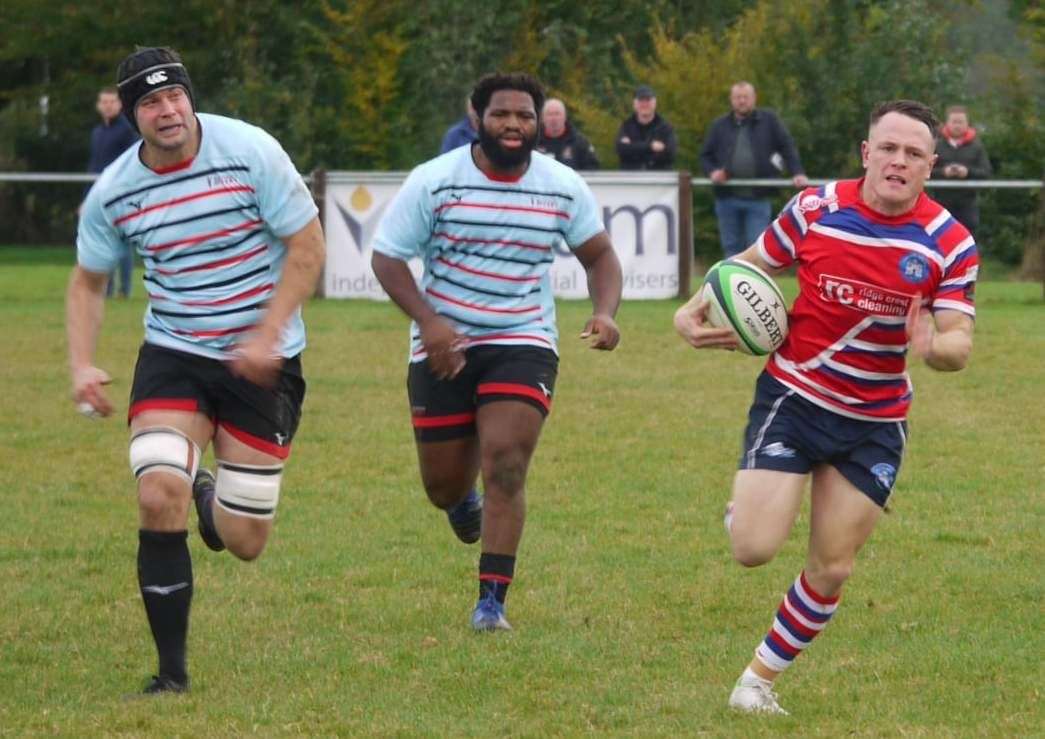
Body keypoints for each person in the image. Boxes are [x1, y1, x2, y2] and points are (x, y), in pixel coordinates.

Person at [675, 100, 976, 715]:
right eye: (887, 148)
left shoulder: (950, 241)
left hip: (874, 422)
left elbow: (958, 344)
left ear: (931, 164)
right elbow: (749, 265)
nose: (898, 161)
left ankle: (755, 683)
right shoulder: (816, 209)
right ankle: (752, 498)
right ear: (866, 152)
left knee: (832, 568)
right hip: (795, 397)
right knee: (753, 548)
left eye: (913, 153)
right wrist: (696, 302)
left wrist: (934, 347)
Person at [66, 46, 325, 694]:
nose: (169, 110)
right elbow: (88, 283)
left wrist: (267, 334)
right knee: (156, 492)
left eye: (175, 95)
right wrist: (82, 364)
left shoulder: (251, 151)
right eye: (151, 102)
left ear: (189, 95)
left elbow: (309, 245)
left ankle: (210, 497)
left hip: (262, 361)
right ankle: (171, 675)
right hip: (175, 352)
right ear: (132, 116)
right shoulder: (117, 191)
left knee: (243, 538)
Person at [371, 72, 622, 632]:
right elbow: (387, 260)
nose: (514, 125)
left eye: (526, 116)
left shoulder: (561, 185)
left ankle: (492, 603)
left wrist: (605, 312)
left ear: (539, 123)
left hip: (523, 339)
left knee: (506, 463)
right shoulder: (435, 181)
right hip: (444, 346)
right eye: (503, 114)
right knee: (442, 486)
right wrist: (430, 322)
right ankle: (461, 503)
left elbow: (600, 257)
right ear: (475, 116)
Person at [699, 81, 808, 258]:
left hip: (758, 198)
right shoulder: (719, 125)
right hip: (726, 198)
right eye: (737, 97)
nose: (742, 101)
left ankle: (753, 285)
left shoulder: (769, 121)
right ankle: (730, 285)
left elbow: (787, 146)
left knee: (756, 249)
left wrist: (797, 172)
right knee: (731, 248)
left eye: (745, 97)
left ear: (754, 98)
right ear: (731, 100)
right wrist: (712, 172)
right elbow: (705, 155)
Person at [85, 87, 139, 298]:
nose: (107, 106)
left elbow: (130, 163)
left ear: (119, 104)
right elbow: (94, 166)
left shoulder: (127, 131)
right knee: (102, 241)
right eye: (104, 102)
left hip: (120, 194)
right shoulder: (97, 132)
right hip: (97, 194)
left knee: (122, 243)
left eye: (111, 102)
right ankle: (106, 289)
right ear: (99, 106)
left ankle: (123, 290)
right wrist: (86, 197)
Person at [932, 105, 992, 237]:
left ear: (967, 123)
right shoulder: (936, 145)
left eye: (961, 122)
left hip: (968, 206)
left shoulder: (977, 146)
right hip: (940, 204)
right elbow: (924, 170)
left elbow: (986, 172)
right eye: (954, 121)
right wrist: (943, 172)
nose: (957, 125)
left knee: (967, 242)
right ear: (947, 123)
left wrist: (967, 172)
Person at [615, 85, 676, 170]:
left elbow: (670, 154)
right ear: (634, 104)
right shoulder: (626, 126)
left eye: (648, 100)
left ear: (655, 103)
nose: (644, 104)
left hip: (658, 179)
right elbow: (621, 150)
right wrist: (650, 146)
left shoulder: (665, 128)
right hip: (631, 179)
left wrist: (633, 148)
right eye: (640, 101)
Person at [536, 98, 599, 170]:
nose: (553, 118)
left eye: (557, 114)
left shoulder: (580, 142)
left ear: (565, 116)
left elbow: (592, 168)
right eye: (549, 114)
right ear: (542, 118)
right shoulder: (533, 142)